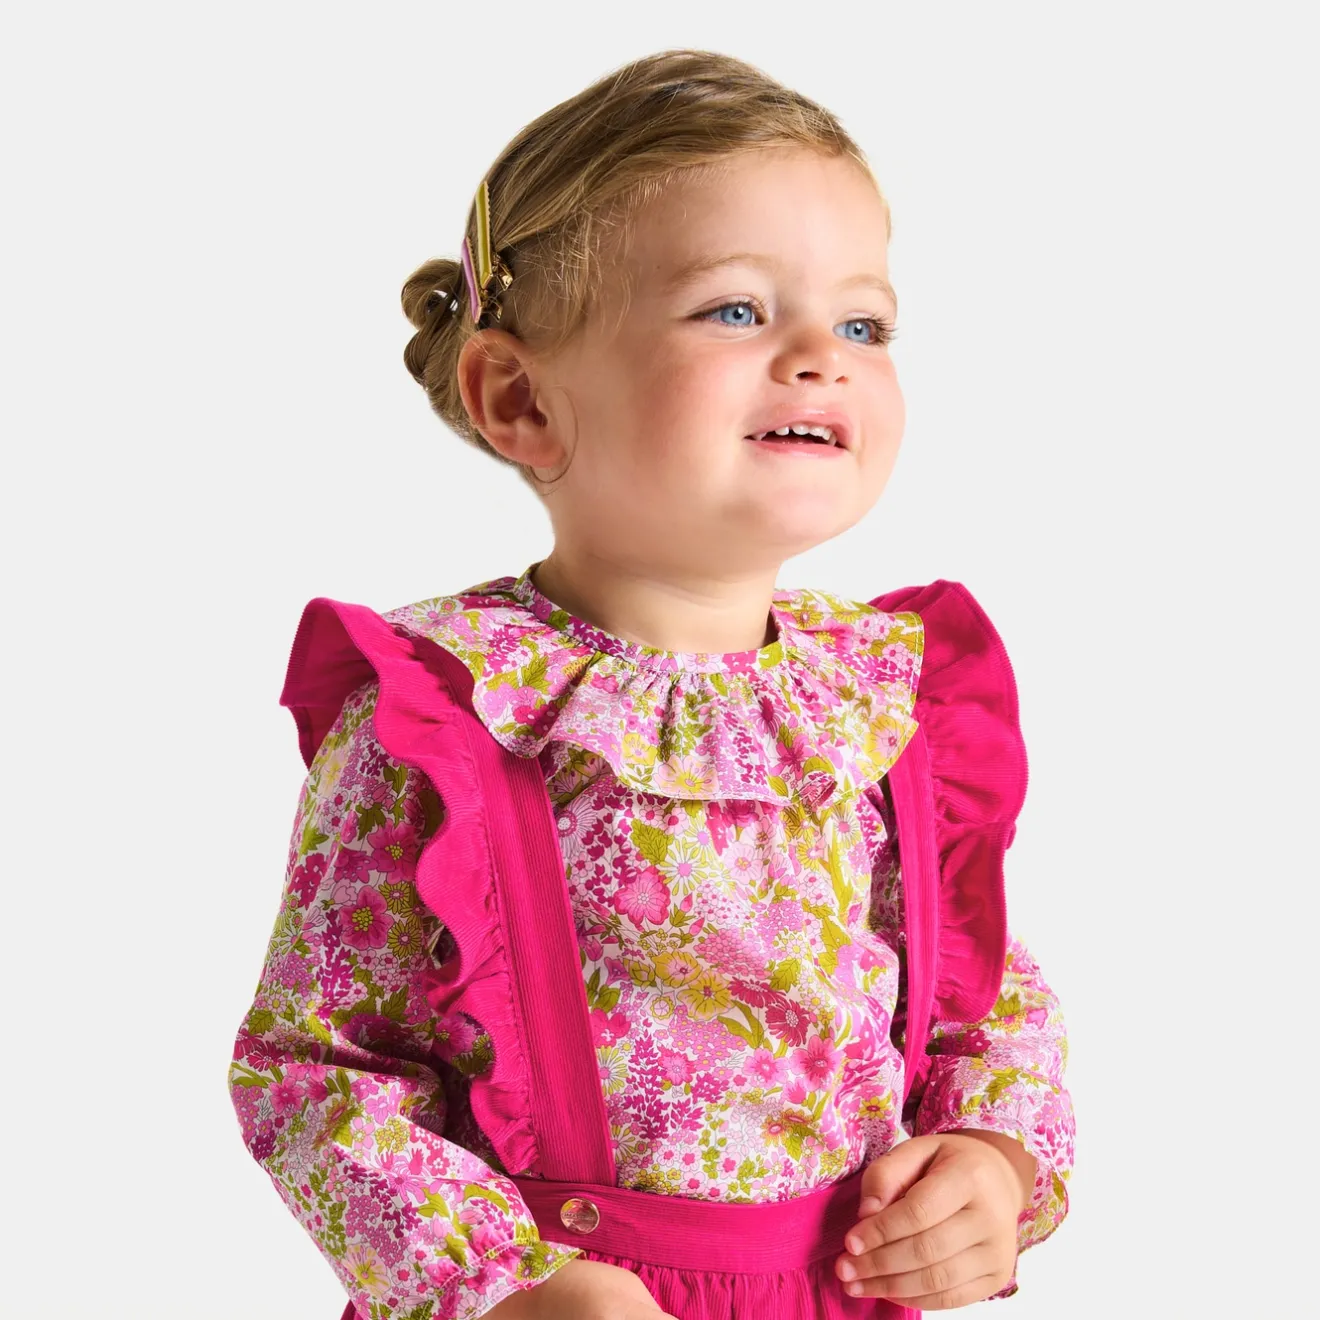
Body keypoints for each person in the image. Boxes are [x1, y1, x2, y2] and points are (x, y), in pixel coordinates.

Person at [228, 48, 1075, 1320]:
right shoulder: (448, 716)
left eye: (863, 325)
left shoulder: (877, 703)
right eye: (735, 310)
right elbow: (316, 1069)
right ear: (520, 398)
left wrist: (993, 1162)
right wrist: (506, 1285)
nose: (821, 356)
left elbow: (979, 993)